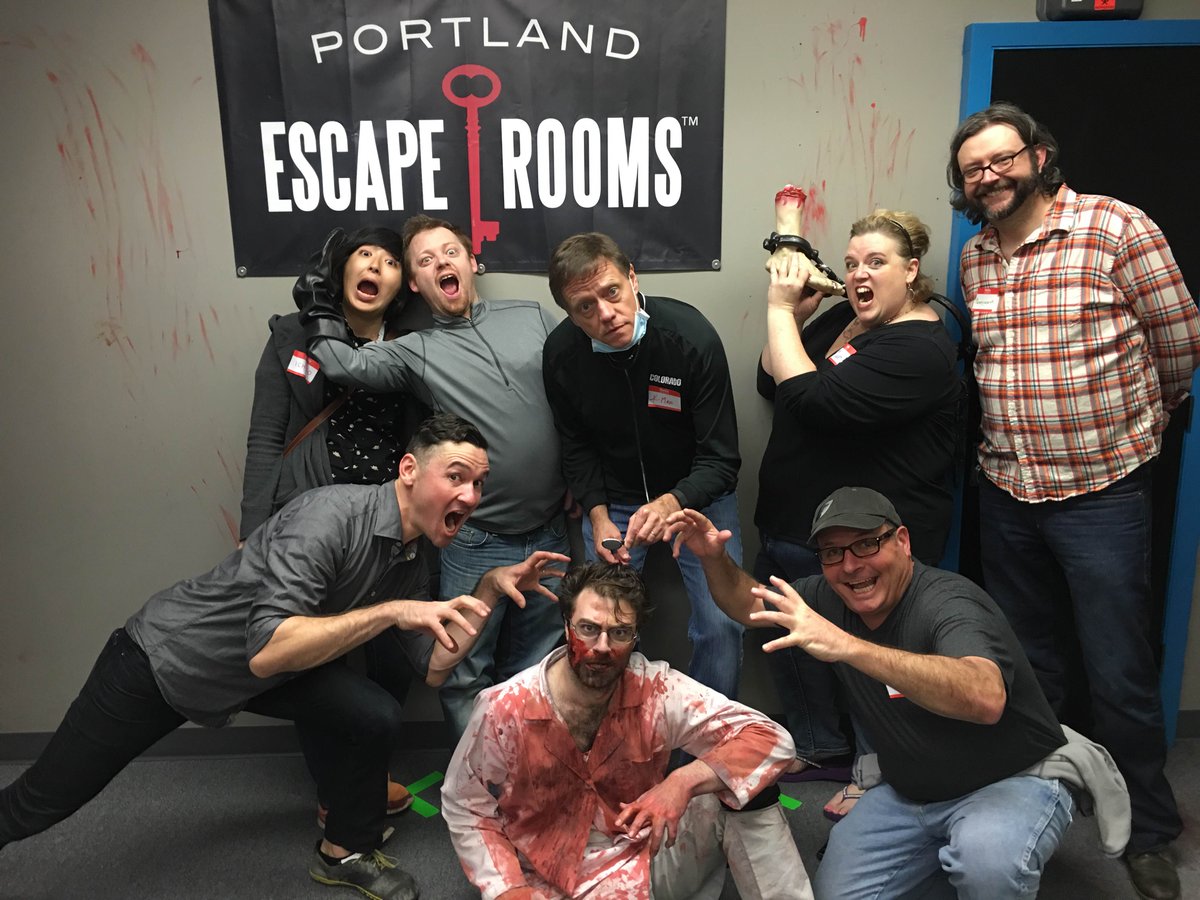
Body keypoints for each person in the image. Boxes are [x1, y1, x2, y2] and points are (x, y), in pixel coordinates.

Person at [0, 413, 569, 900]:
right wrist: (391, 612)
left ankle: (344, 851)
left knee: (370, 711)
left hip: (260, 672)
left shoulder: (413, 555)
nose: (471, 496)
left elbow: (434, 668)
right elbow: (268, 651)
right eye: (456, 477)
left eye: (479, 483)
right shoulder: (329, 518)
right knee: (42, 800)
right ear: (408, 470)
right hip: (167, 660)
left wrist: (489, 593)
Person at [948, 101, 1200, 900]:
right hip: (1007, 488)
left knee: (1118, 667)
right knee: (1030, 665)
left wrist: (1147, 420)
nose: (988, 176)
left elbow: (1180, 342)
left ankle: (1149, 833)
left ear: (1040, 156)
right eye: (972, 169)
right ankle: (1037, 807)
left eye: (1001, 159)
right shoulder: (975, 258)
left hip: (1102, 492)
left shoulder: (1116, 228)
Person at [667, 486, 1080, 898]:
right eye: (833, 552)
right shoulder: (827, 597)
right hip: (912, 790)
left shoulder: (949, 601)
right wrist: (713, 558)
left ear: (902, 541)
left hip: (1009, 779)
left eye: (867, 544)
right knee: (837, 894)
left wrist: (848, 646)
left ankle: (990, 850)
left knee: (988, 866)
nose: (851, 566)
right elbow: (751, 607)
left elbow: (986, 699)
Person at [299, 216, 569, 739]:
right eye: (425, 261)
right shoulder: (417, 349)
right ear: (416, 285)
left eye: (450, 252)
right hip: (475, 540)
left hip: (550, 531)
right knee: (464, 673)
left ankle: (525, 774)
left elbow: (577, 395)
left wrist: (583, 481)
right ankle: (477, 779)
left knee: (536, 672)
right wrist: (315, 300)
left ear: (472, 262)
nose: (441, 262)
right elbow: (339, 364)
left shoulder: (533, 315)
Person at [442, 562, 810, 900]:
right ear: (567, 626)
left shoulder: (656, 689)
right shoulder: (506, 706)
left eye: (619, 633)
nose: (602, 647)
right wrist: (506, 888)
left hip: (644, 862)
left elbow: (772, 739)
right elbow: (465, 804)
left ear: (634, 637)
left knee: (747, 788)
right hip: (544, 880)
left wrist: (681, 782)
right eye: (589, 629)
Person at [756, 210, 960, 782]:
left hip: (867, 544)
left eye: (875, 262)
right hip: (795, 523)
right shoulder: (848, 315)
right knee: (791, 641)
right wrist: (796, 317)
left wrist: (777, 310)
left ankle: (876, 775)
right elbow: (773, 378)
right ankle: (818, 746)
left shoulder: (920, 349)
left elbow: (814, 402)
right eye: (850, 264)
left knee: (871, 654)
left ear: (911, 270)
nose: (857, 275)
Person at [240, 226, 434, 821]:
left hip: (390, 525)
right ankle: (334, 792)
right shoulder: (290, 336)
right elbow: (266, 437)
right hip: (312, 526)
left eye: (390, 261)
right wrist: (254, 528)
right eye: (363, 255)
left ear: (401, 284)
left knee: (393, 655)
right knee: (316, 662)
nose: (375, 265)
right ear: (342, 268)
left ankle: (365, 775)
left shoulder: (411, 345)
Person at [541, 232, 745, 701]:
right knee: (600, 629)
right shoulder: (562, 354)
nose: (606, 313)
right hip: (614, 502)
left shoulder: (690, 337)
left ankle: (706, 740)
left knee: (722, 624)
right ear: (570, 313)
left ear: (632, 278)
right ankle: (617, 732)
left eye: (612, 292)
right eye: (585, 307)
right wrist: (597, 514)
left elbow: (722, 459)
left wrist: (672, 502)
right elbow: (576, 447)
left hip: (697, 497)